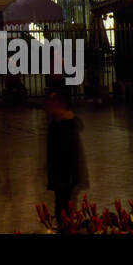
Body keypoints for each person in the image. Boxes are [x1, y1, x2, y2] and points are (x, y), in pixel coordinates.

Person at [45, 90, 87, 228]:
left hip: (64, 176)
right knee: (62, 205)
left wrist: (63, 176)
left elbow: (66, 152)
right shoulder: (57, 122)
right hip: (61, 175)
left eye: (52, 103)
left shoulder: (64, 124)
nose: (49, 106)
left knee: (63, 207)